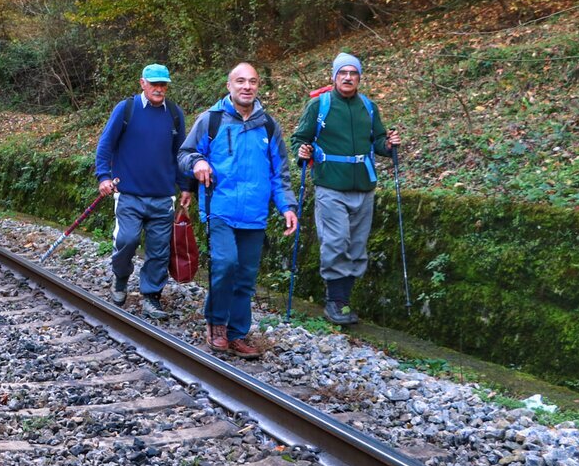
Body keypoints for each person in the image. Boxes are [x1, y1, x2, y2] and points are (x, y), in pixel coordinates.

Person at [178, 63, 298, 357]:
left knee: (246, 275)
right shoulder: (211, 120)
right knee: (225, 264)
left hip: (254, 214)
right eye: (240, 81)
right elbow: (184, 153)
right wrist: (198, 163)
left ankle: (237, 333)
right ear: (229, 86)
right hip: (219, 208)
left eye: (253, 81)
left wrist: (287, 206)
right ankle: (216, 324)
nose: (247, 86)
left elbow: (278, 172)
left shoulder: (268, 126)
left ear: (258, 86)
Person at [289, 52, 403, 325]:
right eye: (343, 73)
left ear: (359, 78)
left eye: (353, 73)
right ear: (334, 77)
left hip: (364, 186)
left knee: (357, 246)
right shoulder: (320, 106)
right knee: (336, 241)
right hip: (330, 185)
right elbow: (299, 139)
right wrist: (302, 152)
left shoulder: (368, 106)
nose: (348, 77)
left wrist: (388, 145)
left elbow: (377, 140)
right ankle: (335, 301)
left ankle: (344, 299)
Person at [94, 64, 193, 319]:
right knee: (126, 240)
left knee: (159, 250)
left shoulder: (173, 113)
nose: (159, 89)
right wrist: (103, 176)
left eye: (163, 84)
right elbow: (106, 144)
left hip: (162, 197)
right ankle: (121, 276)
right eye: (154, 84)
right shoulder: (126, 109)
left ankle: (151, 296)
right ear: (142, 83)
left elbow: (180, 153)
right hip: (129, 194)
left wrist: (185, 186)